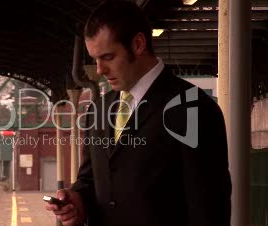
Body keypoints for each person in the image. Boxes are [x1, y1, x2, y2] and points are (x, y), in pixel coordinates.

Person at [46, 0, 232, 225]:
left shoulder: (192, 108)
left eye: (108, 57)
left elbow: (209, 208)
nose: (99, 70)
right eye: (95, 59)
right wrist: (76, 202)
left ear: (138, 44)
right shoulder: (98, 109)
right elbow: (89, 181)